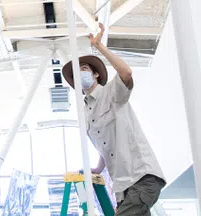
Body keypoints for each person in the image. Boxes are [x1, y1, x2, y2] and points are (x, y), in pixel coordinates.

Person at [62, 22, 165, 216]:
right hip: (123, 188)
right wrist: (99, 168)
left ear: (96, 74)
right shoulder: (86, 113)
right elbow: (105, 143)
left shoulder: (112, 93)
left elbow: (126, 73)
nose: (81, 73)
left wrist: (100, 47)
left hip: (141, 177)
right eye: (78, 73)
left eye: (84, 68)